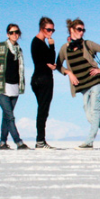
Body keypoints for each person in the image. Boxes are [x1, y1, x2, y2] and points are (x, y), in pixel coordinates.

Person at [56, 18, 100, 150]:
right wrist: (69, 73)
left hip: (97, 83)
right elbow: (58, 65)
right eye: (79, 29)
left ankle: (89, 142)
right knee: (90, 117)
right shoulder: (65, 49)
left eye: (83, 30)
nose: (81, 32)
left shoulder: (87, 44)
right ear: (71, 30)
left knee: (94, 113)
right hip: (83, 88)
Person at [0, 24, 31, 150]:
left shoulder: (19, 50)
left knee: (7, 116)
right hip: (1, 86)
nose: (14, 34)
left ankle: (2, 142)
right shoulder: (1, 46)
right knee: (10, 116)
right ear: (7, 34)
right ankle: (19, 142)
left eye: (17, 32)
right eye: (11, 32)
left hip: (15, 87)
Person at [31, 17, 57, 149]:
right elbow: (45, 61)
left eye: (53, 30)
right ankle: (40, 140)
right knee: (43, 110)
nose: (51, 32)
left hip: (41, 78)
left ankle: (40, 140)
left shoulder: (41, 42)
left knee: (43, 110)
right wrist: (51, 46)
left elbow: (50, 61)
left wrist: (51, 45)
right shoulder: (37, 43)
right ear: (42, 28)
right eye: (48, 29)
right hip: (42, 79)